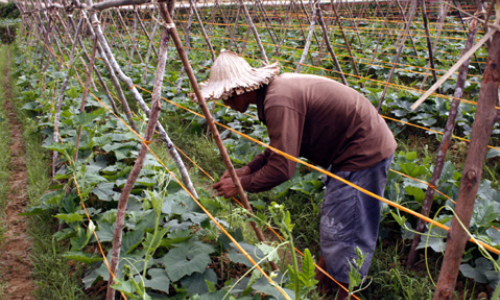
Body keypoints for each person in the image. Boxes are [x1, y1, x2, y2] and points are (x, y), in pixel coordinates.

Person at [198, 50, 396, 299]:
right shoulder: (274, 94)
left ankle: (345, 292)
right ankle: (323, 278)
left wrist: (242, 185)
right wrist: (247, 170)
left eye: (226, 97)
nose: (225, 103)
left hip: (362, 152)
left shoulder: (277, 101)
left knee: (347, 227)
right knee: (334, 218)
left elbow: (283, 168)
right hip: (349, 149)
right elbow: (282, 148)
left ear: (239, 90)